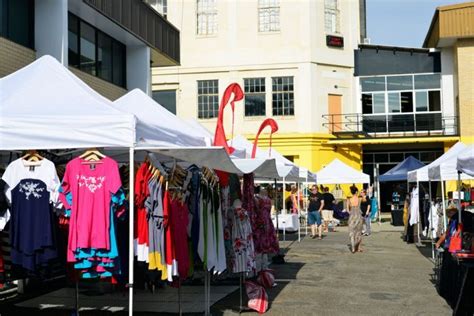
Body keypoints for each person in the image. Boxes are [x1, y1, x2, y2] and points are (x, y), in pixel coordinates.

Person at [347, 186, 364, 253]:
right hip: (358, 216)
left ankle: (353, 247)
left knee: (352, 231)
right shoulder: (359, 199)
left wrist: (351, 213)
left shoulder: (349, 199)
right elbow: (365, 200)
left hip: (352, 216)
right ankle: (359, 247)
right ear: (356, 192)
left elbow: (348, 210)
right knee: (358, 232)